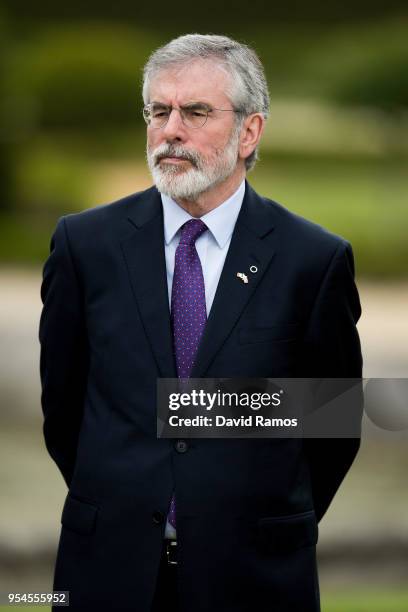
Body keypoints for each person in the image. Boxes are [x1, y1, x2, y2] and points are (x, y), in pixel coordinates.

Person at [39, 34, 363, 612]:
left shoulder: (312, 260)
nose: (170, 130)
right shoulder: (83, 245)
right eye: (158, 111)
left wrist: (255, 514)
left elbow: (332, 421)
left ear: (250, 131)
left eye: (195, 112)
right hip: (107, 570)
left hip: (256, 576)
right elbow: (64, 409)